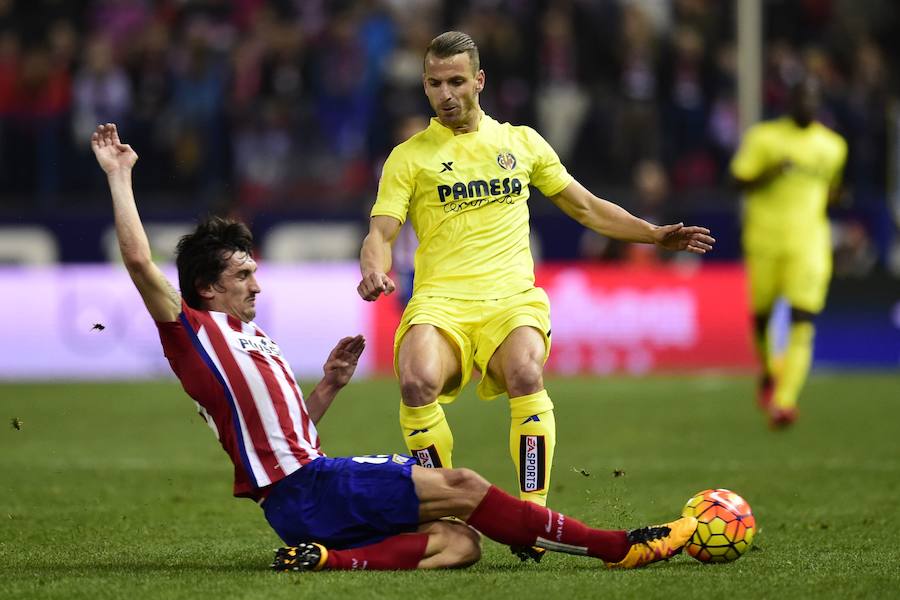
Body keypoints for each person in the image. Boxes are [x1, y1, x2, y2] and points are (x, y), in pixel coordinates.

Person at [92, 122, 697, 572]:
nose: (257, 283)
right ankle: (617, 547)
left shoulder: (250, 338)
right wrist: (120, 175)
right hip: (307, 488)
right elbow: (140, 261)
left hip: (308, 493)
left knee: (461, 542)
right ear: (206, 289)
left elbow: (282, 432)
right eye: (243, 276)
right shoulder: (193, 335)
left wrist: (327, 386)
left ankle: (326, 559)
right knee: (462, 485)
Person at [357, 30, 714, 556]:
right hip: (441, 301)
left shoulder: (521, 143)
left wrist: (655, 234)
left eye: (457, 81)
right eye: (434, 84)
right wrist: (373, 270)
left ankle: (533, 518)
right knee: (415, 382)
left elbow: (587, 208)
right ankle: (450, 510)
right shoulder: (408, 158)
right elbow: (380, 233)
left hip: (510, 298)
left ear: (479, 80)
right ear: (425, 87)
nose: (446, 93)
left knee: (525, 370)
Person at [730, 76, 847, 429]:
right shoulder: (764, 138)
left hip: (810, 243)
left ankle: (784, 401)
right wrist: (770, 173)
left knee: (802, 318)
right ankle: (768, 370)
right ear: (789, 102)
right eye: (801, 98)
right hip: (764, 240)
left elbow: (831, 192)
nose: (807, 105)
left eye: (813, 99)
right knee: (761, 317)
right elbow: (736, 181)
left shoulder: (833, 146)